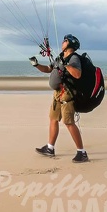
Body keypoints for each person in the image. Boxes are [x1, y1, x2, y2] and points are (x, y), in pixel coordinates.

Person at [29, 34, 89, 163]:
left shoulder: (74, 58)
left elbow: (77, 74)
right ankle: (50, 148)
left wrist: (65, 65)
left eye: (65, 41)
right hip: (57, 94)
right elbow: (48, 69)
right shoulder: (60, 57)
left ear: (71, 44)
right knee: (53, 119)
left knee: (68, 123)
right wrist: (36, 65)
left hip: (67, 95)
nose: (62, 42)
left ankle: (82, 153)